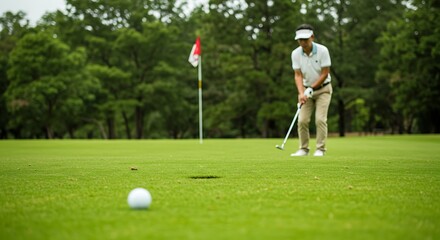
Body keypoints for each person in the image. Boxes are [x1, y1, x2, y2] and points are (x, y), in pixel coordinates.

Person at [290, 24, 332, 157]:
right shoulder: (295, 53)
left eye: (305, 39)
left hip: (323, 89)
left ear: (312, 37)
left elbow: (325, 73)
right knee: (302, 120)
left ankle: (320, 149)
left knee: (320, 119)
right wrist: (301, 93)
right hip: (306, 91)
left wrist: (311, 88)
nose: (303, 43)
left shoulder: (323, 51)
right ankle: (303, 149)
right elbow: (298, 75)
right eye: (300, 40)